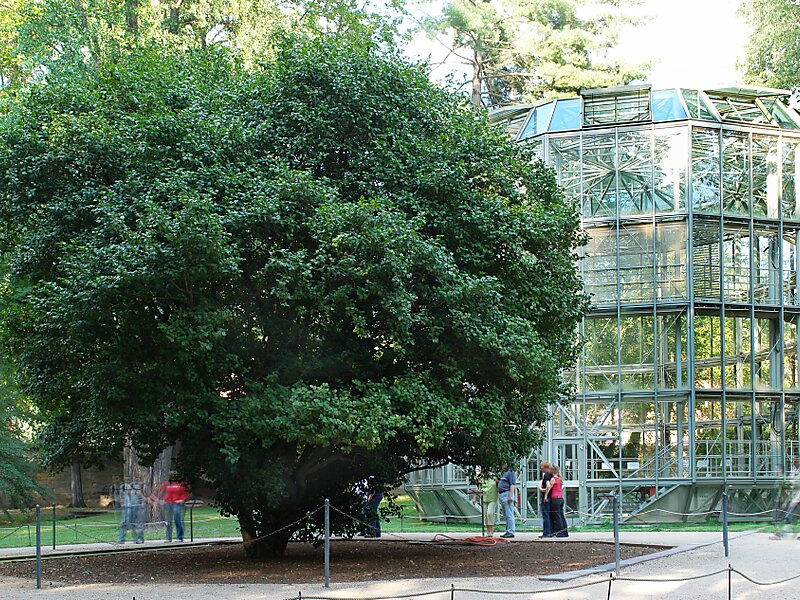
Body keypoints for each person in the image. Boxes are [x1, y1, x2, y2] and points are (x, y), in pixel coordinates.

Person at [158, 474, 190, 542]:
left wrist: (183, 499)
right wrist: (160, 500)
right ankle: (168, 538)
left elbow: (187, 492)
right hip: (168, 503)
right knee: (168, 521)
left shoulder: (182, 483)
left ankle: (180, 537)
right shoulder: (167, 483)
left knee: (177, 519)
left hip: (177, 503)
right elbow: (162, 492)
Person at [117, 476, 145, 544]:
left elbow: (140, 495)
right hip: (126, 507)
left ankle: (139, 538)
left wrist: (142, 503)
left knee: (137, 523)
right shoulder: (122, 487)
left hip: (136, 506)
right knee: (124, 523)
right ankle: (121, 538)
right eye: (126, 479)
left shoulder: (136, 486)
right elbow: (121, 497)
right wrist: (122, 504)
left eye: (128, 479)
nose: (127, 480)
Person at [545, 464, 568, 538]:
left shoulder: (553, 479)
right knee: (561, 516)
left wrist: (545, 495)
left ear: (553, 470)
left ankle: (559, 533)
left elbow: (549, 488)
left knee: (556, 517)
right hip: (560, 498)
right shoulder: (559, 479)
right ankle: (565, 532)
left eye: (551, 469)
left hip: (555, 499)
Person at [497, 464, 516, 538]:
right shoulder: (503, 473)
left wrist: (510, 496)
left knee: (509, 513)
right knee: (506, 514)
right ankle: (508, 530)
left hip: (507, 493)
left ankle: (511, 531)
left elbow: (512, 484)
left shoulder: (510, 472)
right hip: (502, 494)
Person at [538, 461, 554, 538]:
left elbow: (548, 486)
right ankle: (550, 531)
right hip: (551, 497)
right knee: (549, 515)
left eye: (542, 467)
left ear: (546, 467)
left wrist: (542, 490)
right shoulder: (551, 475)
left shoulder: (546, 475)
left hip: (546, 498)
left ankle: (546, 532)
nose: (540, 468)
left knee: (546, 515)